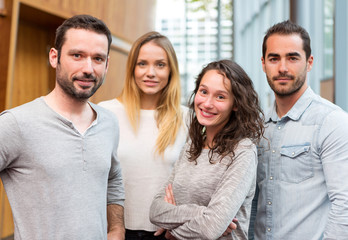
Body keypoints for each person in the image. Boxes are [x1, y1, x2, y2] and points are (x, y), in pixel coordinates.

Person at [0, 15, 125, 240]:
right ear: (54, 57)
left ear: (107, 65)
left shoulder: (110, 123)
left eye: (98, 59)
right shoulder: (15, 124)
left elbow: (113, 177)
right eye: (77, 55)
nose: (88, 68)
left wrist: (116, 229)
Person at [250, 20, 348, 239]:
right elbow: (252, 201)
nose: (283, 68)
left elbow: (345, 206)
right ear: (264, 64)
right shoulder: (257, 127)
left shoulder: (332, 122)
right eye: (274, 58)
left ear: (309, 62)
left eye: (292, 58)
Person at [149, 59, 265, 239]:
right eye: (203, 92)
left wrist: (172, 232)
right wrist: (204, 213)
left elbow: (209, 230)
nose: (207, 103)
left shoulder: (243, 151)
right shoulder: (191, 146)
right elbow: (155, 210)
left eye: (220, 96)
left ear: (236, 104)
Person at [98, 31, 188, 239]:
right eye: (142, 64)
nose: (151, 72)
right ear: (132, 69)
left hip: (167, 233)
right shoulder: (105, 113)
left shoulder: (188, 118)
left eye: (160, 64)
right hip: (115, 232)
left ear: (171, 70)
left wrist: (178, 219)